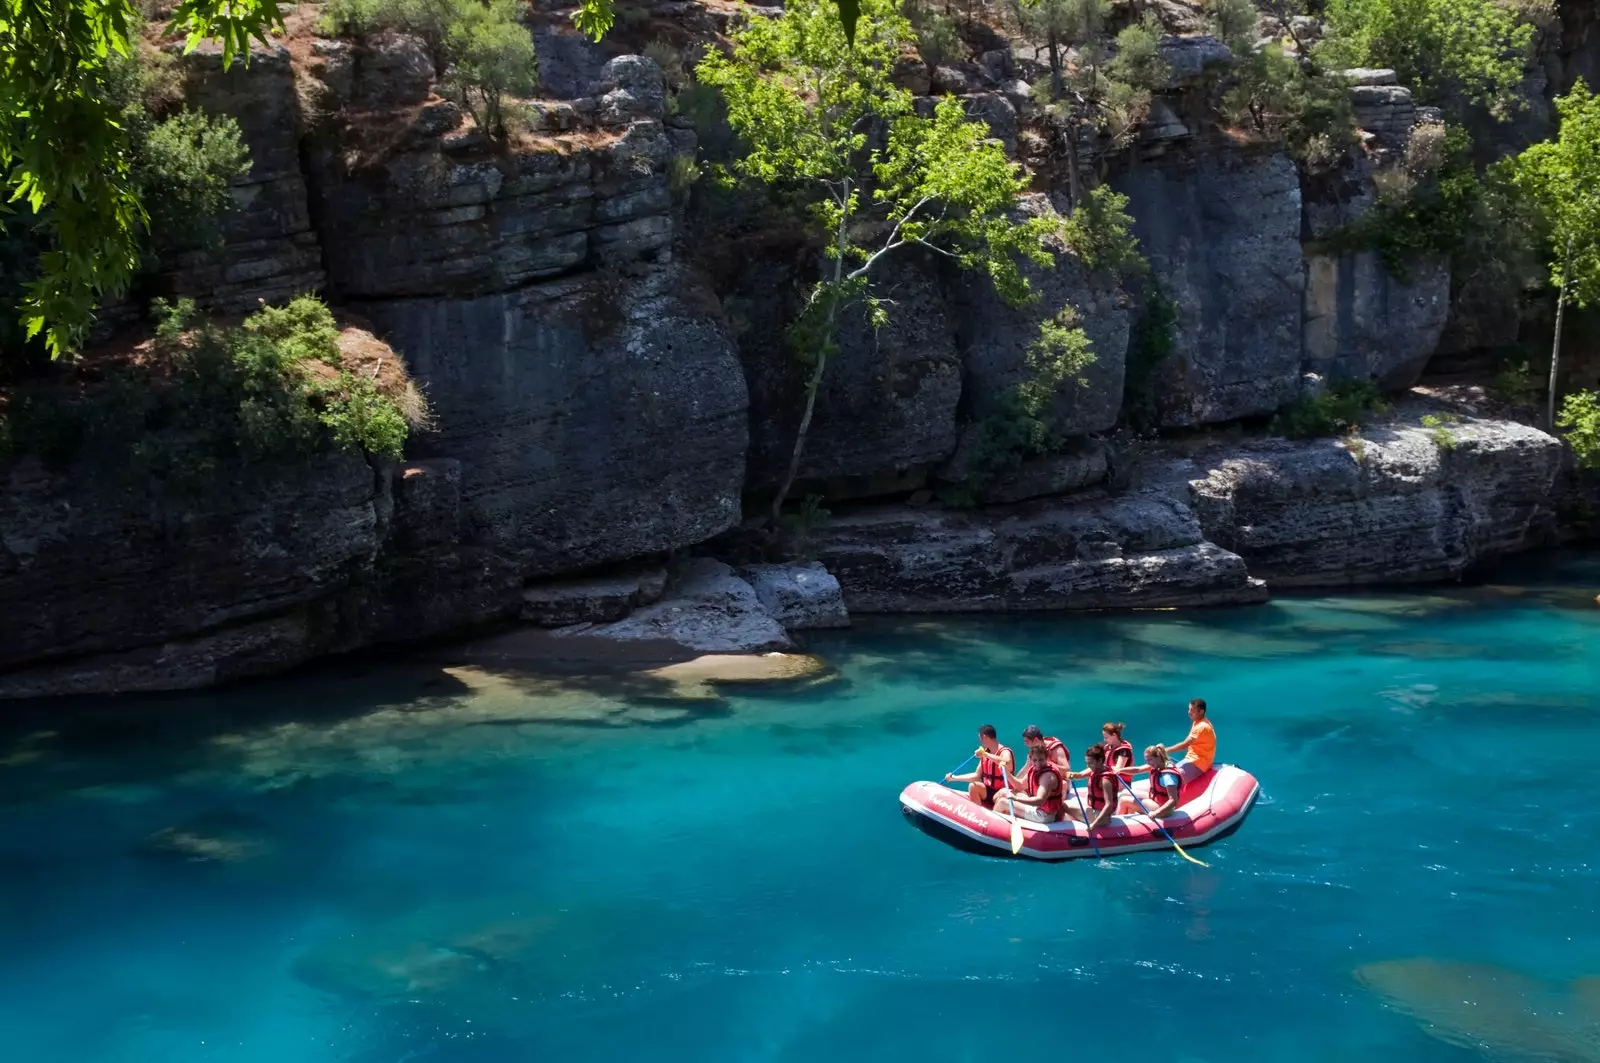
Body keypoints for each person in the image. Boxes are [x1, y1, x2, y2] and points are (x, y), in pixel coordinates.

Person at [946, 724, 1014, 808]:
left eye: (980, 738)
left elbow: (1006, 761)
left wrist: (985, 754)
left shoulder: (1005, 751)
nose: (980, 741)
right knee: (973, 786)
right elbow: (976, 776)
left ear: (985, 737)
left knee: (1002, 794)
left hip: (1002, 792)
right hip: (989, 791)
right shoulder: (986, 753)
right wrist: (954, 778)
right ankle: (977, 813)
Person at [995, 743, 1064, 823]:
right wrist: (1006, 773)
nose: (1038, 763)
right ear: (1030, 759)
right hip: (1039, 808)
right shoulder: (1034, 770)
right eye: (1035, 760)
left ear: (1046, 758)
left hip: (1043, 815)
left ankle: (992, 827)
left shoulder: (1047, 777)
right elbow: (1020, 786)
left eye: (1041, 760)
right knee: (1003, 793)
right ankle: (1004, 818)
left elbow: (1040, 800)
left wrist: (1015, 798)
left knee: (1002, 802)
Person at [1062, 743, 1120, 830]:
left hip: (1099, 817)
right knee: (1067, 803)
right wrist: (1070, 775)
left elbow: (1109, 805)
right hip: (1094, 809)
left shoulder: (1105, 780)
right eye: (1087, 763)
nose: (1088, 766)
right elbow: (1080, 775)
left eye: (1090, 763)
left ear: (1100, 761)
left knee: (1062, 806)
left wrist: (1094, 824)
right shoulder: (1096, 769)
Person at [1114, 745, 1184, 818]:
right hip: (1156, 798)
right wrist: (1120, 770)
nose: (1148, 763)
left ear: (1158, 757)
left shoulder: (1168, 776)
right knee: (1125, 792)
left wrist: (1156, 813)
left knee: (1123, 800)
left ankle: (1117, 826)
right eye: (1146, 760)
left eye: (1150, 760)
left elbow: (1173, 800)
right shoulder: (1159, 765)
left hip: (1163, 808)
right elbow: (1138, 769)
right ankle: (1129, 815)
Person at [1164, 698, 1216, 773]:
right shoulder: (1199, 722)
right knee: (1160, 760)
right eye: (1189, 709)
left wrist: (1165, 750)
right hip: (1194, 760)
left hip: (1198, 763)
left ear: (1201, 712)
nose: (1189, 712)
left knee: (1169, 773)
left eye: (1192, 710)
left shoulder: (1201, 726)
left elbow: (1185, 745)